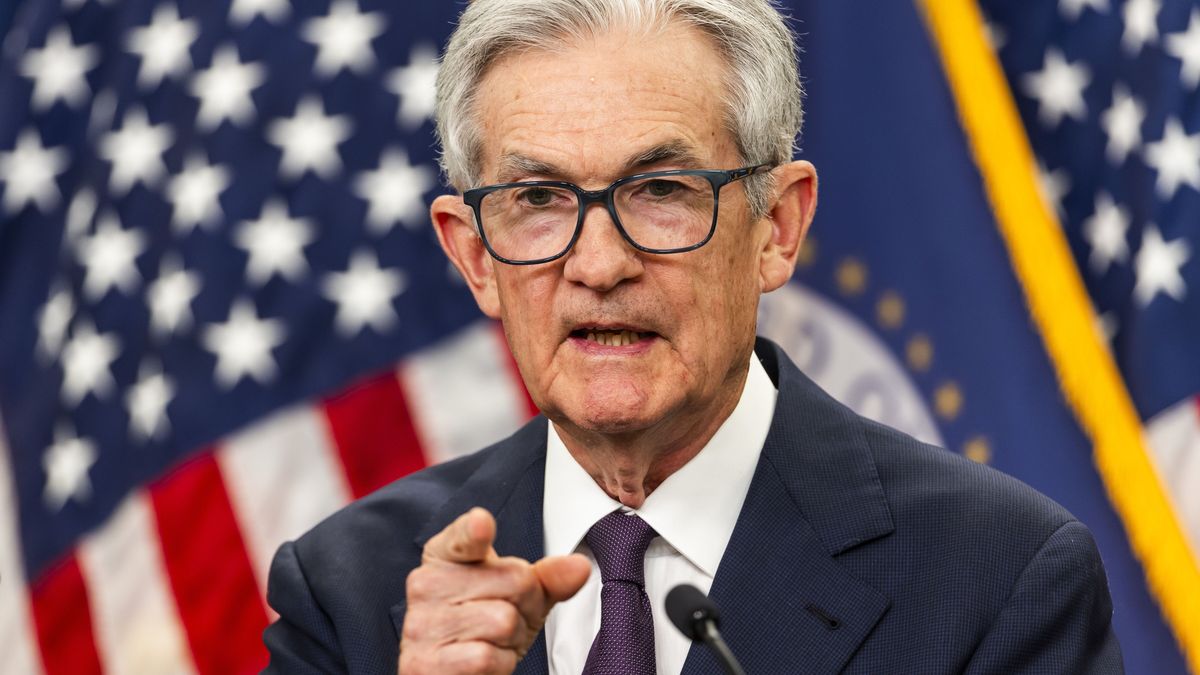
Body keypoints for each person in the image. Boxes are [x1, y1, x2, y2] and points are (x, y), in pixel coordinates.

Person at [263, 0, 1124, 673]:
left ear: (777, 228)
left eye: (661, 190)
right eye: (537, 200)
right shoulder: (352, 593)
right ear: (474, 257)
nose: (598, 264)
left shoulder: (998, 579)